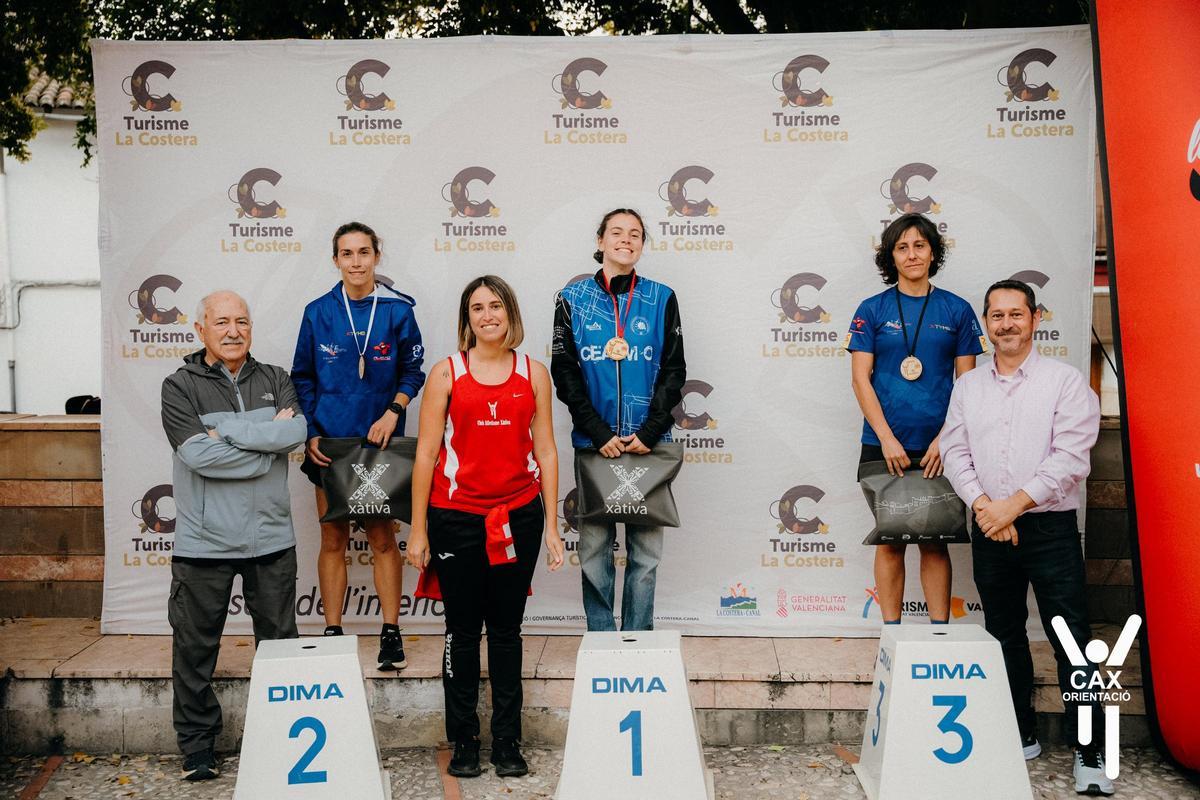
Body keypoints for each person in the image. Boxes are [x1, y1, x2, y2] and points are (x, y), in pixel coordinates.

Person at [940, 279, 1110, 795]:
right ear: (986, 324)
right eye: (997, 315)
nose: (1007, 324)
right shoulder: (969, 386)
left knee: (1071, 639)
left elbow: (1071, 457)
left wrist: (1012, 505)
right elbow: (955, 451)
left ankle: (1090, 752)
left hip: (1050, 528)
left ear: (1036, 319)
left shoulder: (1065, 382)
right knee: (1004, 633)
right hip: (989, 525)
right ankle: (1021, 733)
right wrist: (985, 507)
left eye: (1016, 314)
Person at [407, 275, 565, 778]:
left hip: (518, 516)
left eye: (495, 305)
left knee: (505, 631)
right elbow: (426, 454)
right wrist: (418, 528)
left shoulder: (534, 373)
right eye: (477, 307)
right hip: (456, 517)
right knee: (461, 632)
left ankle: (507, 742)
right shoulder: (446, 373)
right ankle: (464, 741)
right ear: (467, 318)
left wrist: (553, 525)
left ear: (510, 312)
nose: (487, 315)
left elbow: (546, 450)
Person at [161, 290, 308, 781]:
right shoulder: (179, 385)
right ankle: (198, 748)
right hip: (204, 543)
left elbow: (295, 434)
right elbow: (198, 456)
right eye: (221, 321)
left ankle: (283, 741)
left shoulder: (276, 378)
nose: (233, 331)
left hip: (271, 539)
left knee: (280, 650)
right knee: (194, 651)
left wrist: (224, 431)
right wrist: (266, 440)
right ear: (200, 329)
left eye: (241, 321)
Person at [291, 221, 425, 669]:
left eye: (363, 252)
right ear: (336, 260)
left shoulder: (398, 311)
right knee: (333, 537)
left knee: (383, 538)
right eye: (346, 254)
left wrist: (393, 411)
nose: (356, 262)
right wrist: (311, 432)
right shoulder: (317, 312)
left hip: (379, 442)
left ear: (376, 256)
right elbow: (303, 377)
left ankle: (391, 632)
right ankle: (332, 631)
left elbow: (413, 372)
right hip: (329, 445)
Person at [845, 213, 984, 625]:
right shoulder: (871, 309)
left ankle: (939, 634)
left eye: (919, 246)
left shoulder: (957, 309)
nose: (912, 254)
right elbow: (860, 379)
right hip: (882, 445)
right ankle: (890, 634)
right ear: (891, 256)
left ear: (933, 252)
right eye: (902, 247)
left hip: (941, 446)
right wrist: (887, 438)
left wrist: (946, 439)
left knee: (935, 540)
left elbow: (968, 385)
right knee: (890, 539)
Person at [551, 208, 686, 632]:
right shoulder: (571, 298)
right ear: (600, 241)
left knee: (646, 554)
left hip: (650, 443)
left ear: (642, 244)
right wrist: (597, 431)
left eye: (635, 234)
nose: (626, 240)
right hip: (596, 445)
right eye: (616, 232)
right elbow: (564, 371)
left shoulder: (662, 297)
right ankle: (601, 638)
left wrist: (650, 430)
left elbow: (674, 369)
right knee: (594, 551)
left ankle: (638, 638)